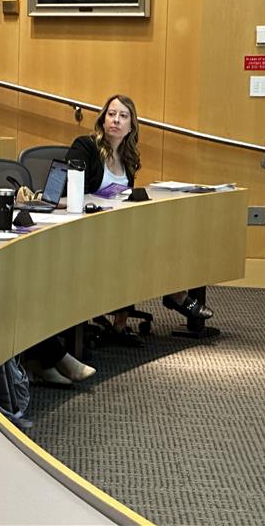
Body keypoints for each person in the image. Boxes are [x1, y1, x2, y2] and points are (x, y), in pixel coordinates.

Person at [66, 94, 214, 345]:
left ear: (132, 126)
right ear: (102, 120)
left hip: (118, 228)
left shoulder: (129, 157)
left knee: (153, 235)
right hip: (86, 227)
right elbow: (69, 192)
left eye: (123, 116)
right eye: (111, 114)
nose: (116, 120)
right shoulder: (85, 147)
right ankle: (175, 295)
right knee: (133, 246)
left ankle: (123, 323)